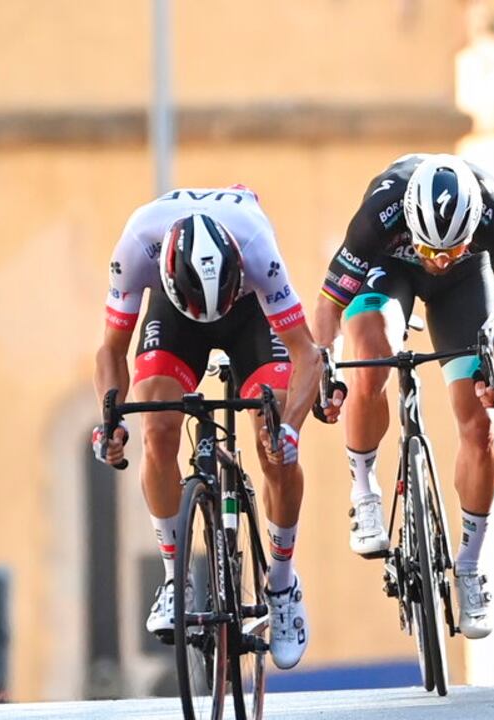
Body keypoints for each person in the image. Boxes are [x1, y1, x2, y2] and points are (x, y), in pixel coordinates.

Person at [91, 186, 331, 670]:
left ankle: (282, 583)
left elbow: (308, 353)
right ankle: (174, 579)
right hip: (174, 311)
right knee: (157, 426)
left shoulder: (258, 246)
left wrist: (290, 430)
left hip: (249, 313)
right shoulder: (138, 243)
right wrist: (110, 421)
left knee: (273, 432)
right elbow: (111, 352)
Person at [313, 153, 494, 639]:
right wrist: (327, 368)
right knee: (371, 354)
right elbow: (329, 306)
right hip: (392, 270)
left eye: (449, 248)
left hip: (465, 285)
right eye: (431, 248)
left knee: (480, 422)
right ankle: (364, 486)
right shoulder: (382, 211)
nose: (437, 259)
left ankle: (470, 566)